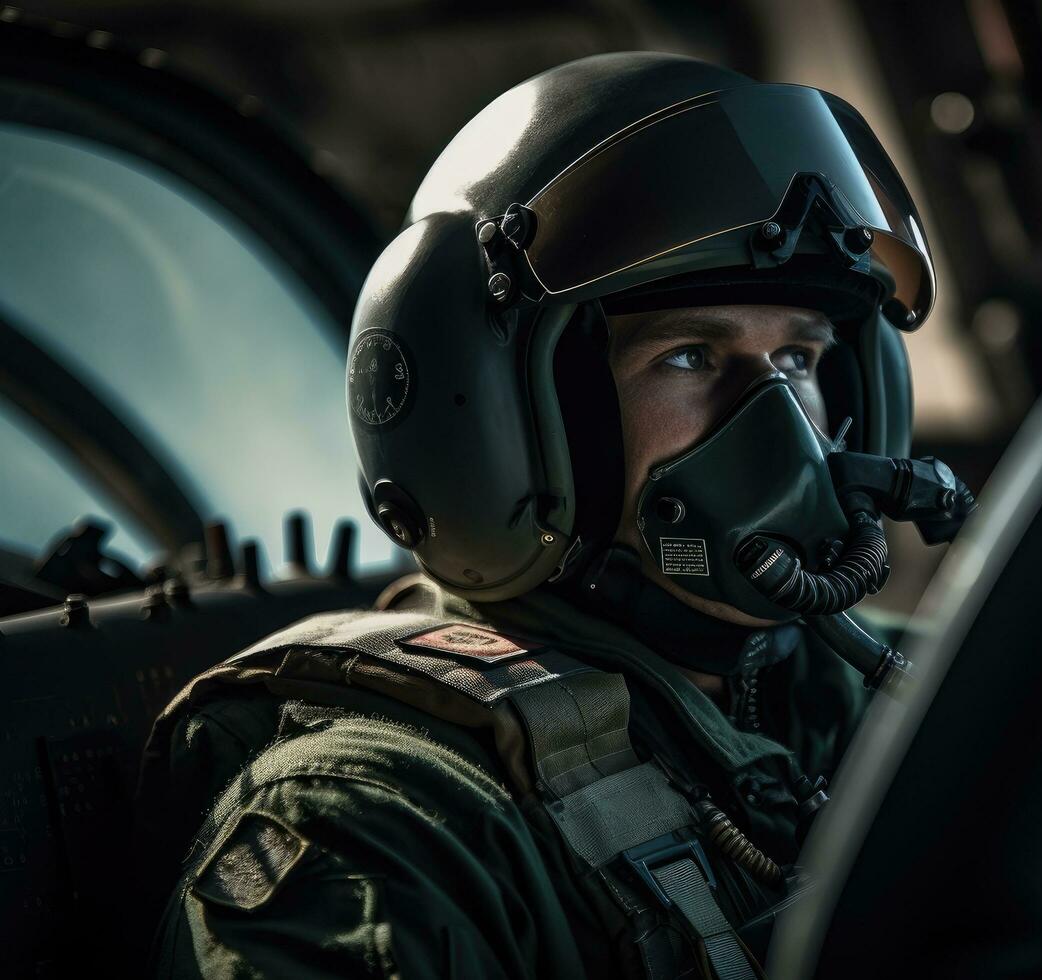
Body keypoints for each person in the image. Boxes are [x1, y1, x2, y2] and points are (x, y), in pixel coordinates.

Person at [142, 51, 971, 979]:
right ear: (504, 423)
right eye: (689, 357)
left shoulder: (901, 692)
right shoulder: (376, 826)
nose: (777, 423)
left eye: (799, 362)